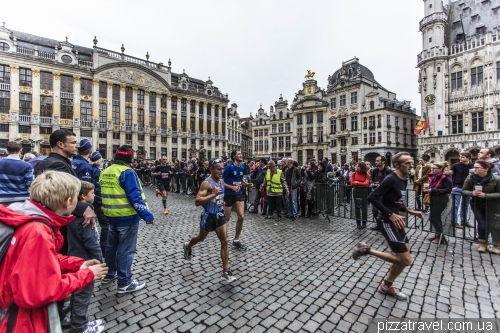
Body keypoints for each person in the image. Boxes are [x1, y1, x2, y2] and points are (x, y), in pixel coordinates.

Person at [0, 171, 108, 333]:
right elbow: (42, 291)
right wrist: (87, 274)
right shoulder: (38, 231)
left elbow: (40, 260)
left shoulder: (26, 215)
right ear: (68, 202)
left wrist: (77, 263)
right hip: (18, 320)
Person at [353, 152, 425, 301]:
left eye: (412, 163)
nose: (411, 166)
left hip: (397, 221)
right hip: (386, 221)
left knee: (403, 255)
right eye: (407, 163)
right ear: (397, 165)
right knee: (406, 260)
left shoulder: (403, 180)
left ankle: (386, 285)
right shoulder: (390, 179)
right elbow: (372, 197)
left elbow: (396, 201)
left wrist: (408, 210)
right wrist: (390, 214)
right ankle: (366, 250)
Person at [100, 146, 154, 293]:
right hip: (127, 216)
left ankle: (109, 274)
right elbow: (134, 196)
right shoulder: (127, 172)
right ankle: (124, 282)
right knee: (126, 249)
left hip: (111, 215)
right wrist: (147, 215)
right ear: (130, 159)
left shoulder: (106, 171)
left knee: (111, 247)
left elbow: (99, 191)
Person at [34, 129, 97, 254]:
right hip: (60, 220)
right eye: (73, 142)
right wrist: (84, 207)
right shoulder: (58, 165)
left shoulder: (47, 162)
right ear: (60, 144)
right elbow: (60, 196)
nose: (77, 146)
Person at [183, 158, 236, 282]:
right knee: (200, 238)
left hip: (219, 214)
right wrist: (213, 195)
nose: (221, 171)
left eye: (222, 169)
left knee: (225, 241)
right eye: (218, 169)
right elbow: (197, 201)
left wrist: (221, 200)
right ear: (211, 169)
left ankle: (225, 271)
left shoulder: (221, 181)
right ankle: (188, 246)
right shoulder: (206, 183)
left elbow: (220, 197)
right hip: (208, 216)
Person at [65, 181, 104, 333]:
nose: (94, 196)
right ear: (82, 196)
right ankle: (79, 327)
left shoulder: (70, 213)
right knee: (83, 295)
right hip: (85, 260)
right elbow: (92, 242)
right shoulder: (85, 218)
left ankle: (78, 322)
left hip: (73, 258)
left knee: (76, 294)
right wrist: (99, 262)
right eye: (92, 193)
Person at [462, 160, 500, 254]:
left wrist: (486, 195)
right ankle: (483, 243)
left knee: (494, 225)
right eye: (474, 167)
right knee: (482, 224)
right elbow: (464, 190)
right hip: (477, 204)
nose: (474, 169)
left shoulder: (496, 179)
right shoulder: (470, 178)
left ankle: (496, 245)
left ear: (486, 169)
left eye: (477, 168)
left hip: (493, 205)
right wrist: (472, 193)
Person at [222, 150, 253, 251]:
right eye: (239, 154)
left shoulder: (242, 167)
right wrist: (231, 187)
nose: (241, 155)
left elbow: (240, 180)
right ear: (234, 156)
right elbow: (221, 181)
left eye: (241, 153)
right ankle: (224, 238)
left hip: (238, 194)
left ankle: (236, 240)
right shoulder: (229, 167)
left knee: (241, 216)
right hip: (229, 195)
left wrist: (247, 184)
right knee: (226, 218)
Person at [424, 162, 452, 245]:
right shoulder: (433, 177)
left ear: (440, 169)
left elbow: (448, 190)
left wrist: (433, 190)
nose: (432, 170)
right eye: (432, 168)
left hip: (441, 200)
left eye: (434, 168)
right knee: (436, 218)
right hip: (433, 199)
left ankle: (440, 237)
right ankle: (437, 235)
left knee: (433, 218)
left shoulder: (446, 178)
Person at [89, 151, 109, 258]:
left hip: (92, 200)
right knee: (105, 225)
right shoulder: (96, 171)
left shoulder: (92, 169)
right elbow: (97, 188)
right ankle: (104, 248)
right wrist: (101, 202)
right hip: (97, 201)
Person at [449, 152, 474, 229]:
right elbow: (451, 174)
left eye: (462, 157)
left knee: (465, 206)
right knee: (455, 206)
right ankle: (454, 222)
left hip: (468, 188)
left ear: (468, 158)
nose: (460, 158)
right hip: (457, 187)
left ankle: (464, 221)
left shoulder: (472, 166)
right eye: (460, 157)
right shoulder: (455, 165)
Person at [369, 156, 392, 231]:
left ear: (383, 162)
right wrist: (372, 184)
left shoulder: (388, 171)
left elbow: (390, 182)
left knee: (384, 210)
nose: (376, 162)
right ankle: (379, 224)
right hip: (376, 193)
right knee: (374, 210)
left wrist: (382, 185)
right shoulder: (375, 170)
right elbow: (372, 180)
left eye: (378, 161)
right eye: (376, 161)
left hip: (385, 194)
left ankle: (386, 225)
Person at [351, 162, 371, 229]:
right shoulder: (354, 174)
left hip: (364, 192)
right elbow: (352, 183)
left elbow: (366, 184)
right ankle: (358, 223)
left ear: (362, 167)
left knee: (364, 207)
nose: (357, 167)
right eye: (356, 166)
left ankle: (364, 222)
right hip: (356, 191)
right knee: (357, 207)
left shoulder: (366, 174)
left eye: (358, 166)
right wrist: (361, 183)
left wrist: (357, 182)